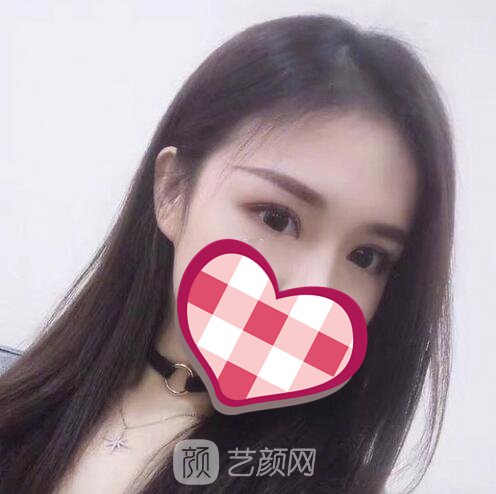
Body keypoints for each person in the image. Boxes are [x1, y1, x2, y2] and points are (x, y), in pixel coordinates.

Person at [0, 13, 455, 494]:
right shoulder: (25, 399)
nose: (317, 290)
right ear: (173, 191)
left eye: (366, 257)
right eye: (276, 218)